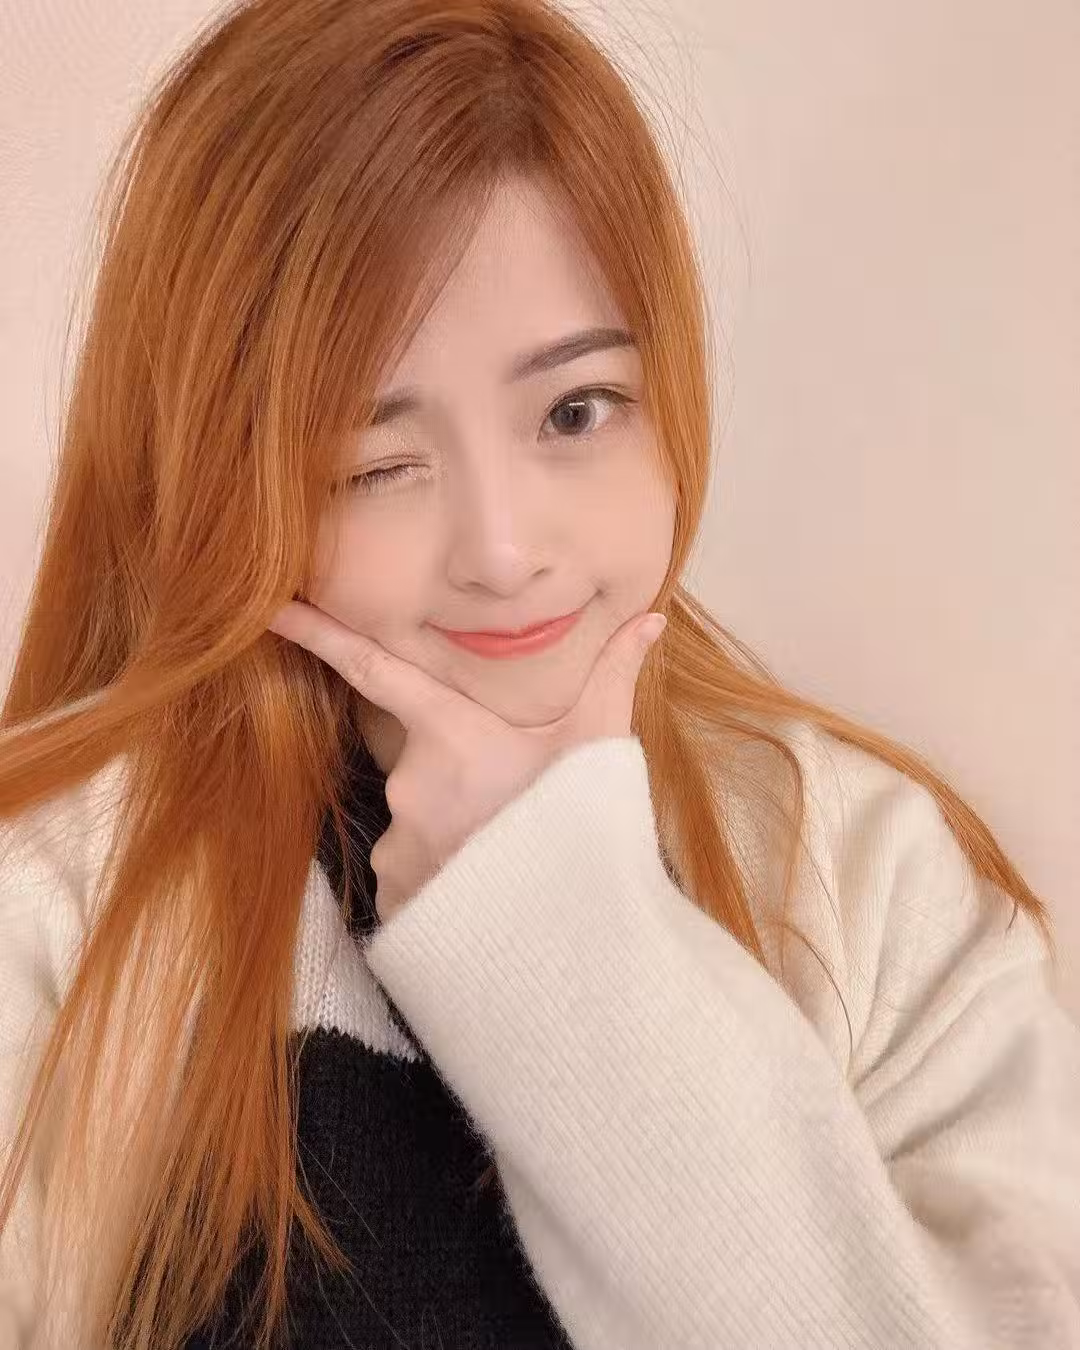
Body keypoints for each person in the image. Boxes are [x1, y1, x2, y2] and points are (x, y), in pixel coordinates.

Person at [1, 0, 1078, 1346]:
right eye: (375, 463)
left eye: (576, 410)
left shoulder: (866, 880)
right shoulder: (59, 910)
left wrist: (563, 931)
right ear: (229, 477)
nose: (505, 552)